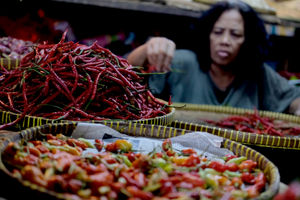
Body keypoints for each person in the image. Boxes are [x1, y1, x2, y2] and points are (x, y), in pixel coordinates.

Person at [127, 0, 300, 115]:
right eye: (217, 32)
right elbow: (125, 76)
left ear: (248, 41)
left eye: (235, 34)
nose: (224, 41)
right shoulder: (183, 62)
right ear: (207, 35)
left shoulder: (258, 74)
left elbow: (293, 99)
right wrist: (148, 49)